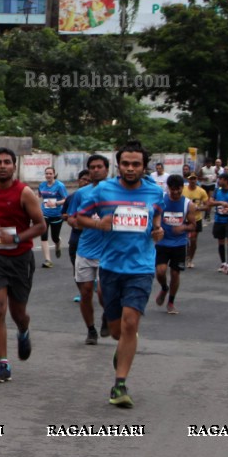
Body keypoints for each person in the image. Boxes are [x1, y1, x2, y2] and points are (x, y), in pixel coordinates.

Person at [76, 140, 164, 408]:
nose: (130, 168)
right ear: (118, 165)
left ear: (144, 166)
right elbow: (79, 218)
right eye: (125, 163)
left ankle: (120, 385)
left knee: (130, 323)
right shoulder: (103, 190)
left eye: (136, 164)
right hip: (111, 267)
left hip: (141, 268)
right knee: (116, 331)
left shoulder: (154, 192)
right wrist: (97, 223)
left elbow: (156, 218)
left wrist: (158, 230)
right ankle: (123, 344)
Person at [0, 147, 46, 383]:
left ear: (14, 166)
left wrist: (15, 238)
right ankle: (3, 364)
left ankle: (23, 330)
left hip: (20, 259)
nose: (2, 166)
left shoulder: (24, 193)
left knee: (18, 312)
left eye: (7, 162)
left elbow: (40, 226)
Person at [66, 155, 110, 343]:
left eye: (99, 167)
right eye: (92, 167)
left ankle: (107, 315)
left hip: (108, 251)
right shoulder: (81, 194)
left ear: (107, 170)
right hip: (85, 249)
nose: (95, 170)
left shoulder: (114, 192)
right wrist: (83, 223)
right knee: (85, 292)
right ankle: (91, 330)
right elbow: (71, 217)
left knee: (102, 293)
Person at [155, 175, 194, 315]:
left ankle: (171, 302)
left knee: (175, 273)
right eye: (173, 190)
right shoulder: (161, 200)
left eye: (178, 190)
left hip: (179, 243)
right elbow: (154, 216)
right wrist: (157, 227)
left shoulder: (188, 204)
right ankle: (164, 287)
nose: (176, 193)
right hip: (162, 242)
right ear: (168, 188)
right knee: (160, 271)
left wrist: (183, 228)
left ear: (182, 188)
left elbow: (193, 225)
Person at [37, 166, 67, 268]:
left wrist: (56, 203)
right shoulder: (42, 185)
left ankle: (57, 243)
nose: (48, 175)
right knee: (43, 236)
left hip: (57, 214)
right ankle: (48, 260)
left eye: (50, 173)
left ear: (54, 174)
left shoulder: (60, 186)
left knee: (54, 237)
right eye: (47, 173)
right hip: (44, 214)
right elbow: (39, 197)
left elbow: (65, 199)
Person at [182, 173, 208, 269]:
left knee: (193, 240)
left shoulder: (201, 191)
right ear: (188, 180)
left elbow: (207, 205)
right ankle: (183, 256)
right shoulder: (183, 190)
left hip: (196, 219)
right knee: (183, 240)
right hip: (184, 218)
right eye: (191, 179)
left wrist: (199, 208)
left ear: (196, 179)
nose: (192, 181)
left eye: (194, 179)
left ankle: (190, 259)